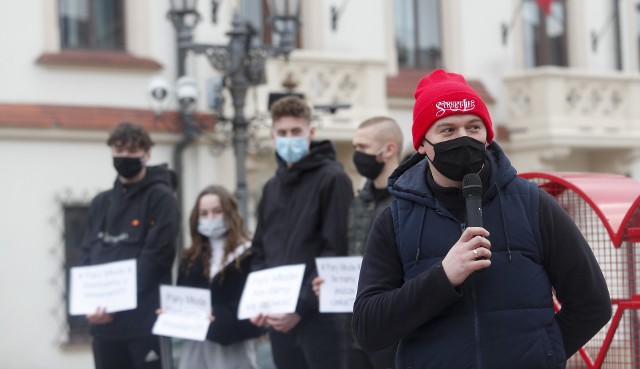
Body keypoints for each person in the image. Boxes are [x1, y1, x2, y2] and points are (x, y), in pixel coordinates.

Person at [352, 69, 612, 369]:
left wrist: (543, 356)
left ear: (488, 136)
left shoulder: (533, 203)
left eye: (473, 127)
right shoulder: (394, 220)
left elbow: (591, 304)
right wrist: (443, 277)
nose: (463, 138)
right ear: (422, 144)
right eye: (447, 130)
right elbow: (369, 329)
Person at [250, 95, 353, 369]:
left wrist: (299, 307)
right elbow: (259, 249)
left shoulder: (333, 178)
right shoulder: (271, 187)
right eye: (282, 133)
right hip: (278, 317)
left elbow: (336, 249)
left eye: (296, 131)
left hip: (319, 317)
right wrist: (260, 301)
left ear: (311, 133)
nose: (289, 138)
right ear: (273, 136)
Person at [80, 122, 179, 369]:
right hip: (105, 328)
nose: (125, 156)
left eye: (133, 150)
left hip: (145, 326)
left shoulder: (161, 198)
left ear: (147, 153)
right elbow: (86, 256)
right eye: (119, 150)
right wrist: (88, 305)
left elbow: (157, 257)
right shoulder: (101, 203)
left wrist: (114, 300)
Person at [312, 116, 404, 369]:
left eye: (362, 148)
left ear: (389, 149)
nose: (356, 155)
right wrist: (331, 284)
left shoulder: (408, 203)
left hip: (393, 333)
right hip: (354, 332)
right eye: (354, 147)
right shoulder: (357, 202)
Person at [172, 185, 263, 369]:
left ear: (230, 213)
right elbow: (181, 298)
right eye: (204, 213)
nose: (210, 218)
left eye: (217, 211)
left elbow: (252, 307)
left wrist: (218, 316)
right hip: (195, 346)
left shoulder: (249, 255)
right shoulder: (190, 258)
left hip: (233, 347)